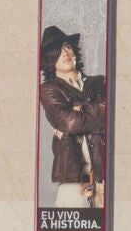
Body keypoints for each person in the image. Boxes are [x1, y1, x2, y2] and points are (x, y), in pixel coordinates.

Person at [38, 26, 106, 208]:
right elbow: (70, 122)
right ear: (49, 59)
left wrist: (79, 108)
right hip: (73, 174)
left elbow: (111, 114)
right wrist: (96, 110)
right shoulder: (49, 89)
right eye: (57, 51)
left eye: (67, 46)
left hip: (105, 175)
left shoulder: (99, 82)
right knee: (71, 225)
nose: (65, 53)